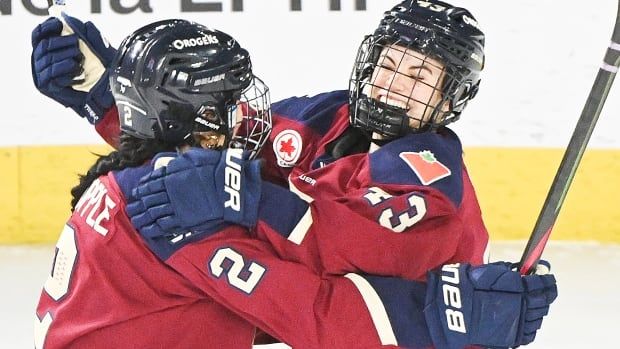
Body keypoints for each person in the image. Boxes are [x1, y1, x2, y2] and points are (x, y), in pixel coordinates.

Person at [31, 4, 557, 349]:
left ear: (451, 97)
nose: (395, 86)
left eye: (420, 77)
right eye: (390, 66)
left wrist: (249, 198)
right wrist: (109, 95)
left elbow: (333, 261)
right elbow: (214, 145)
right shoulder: (323, 118)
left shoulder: (428, 188)